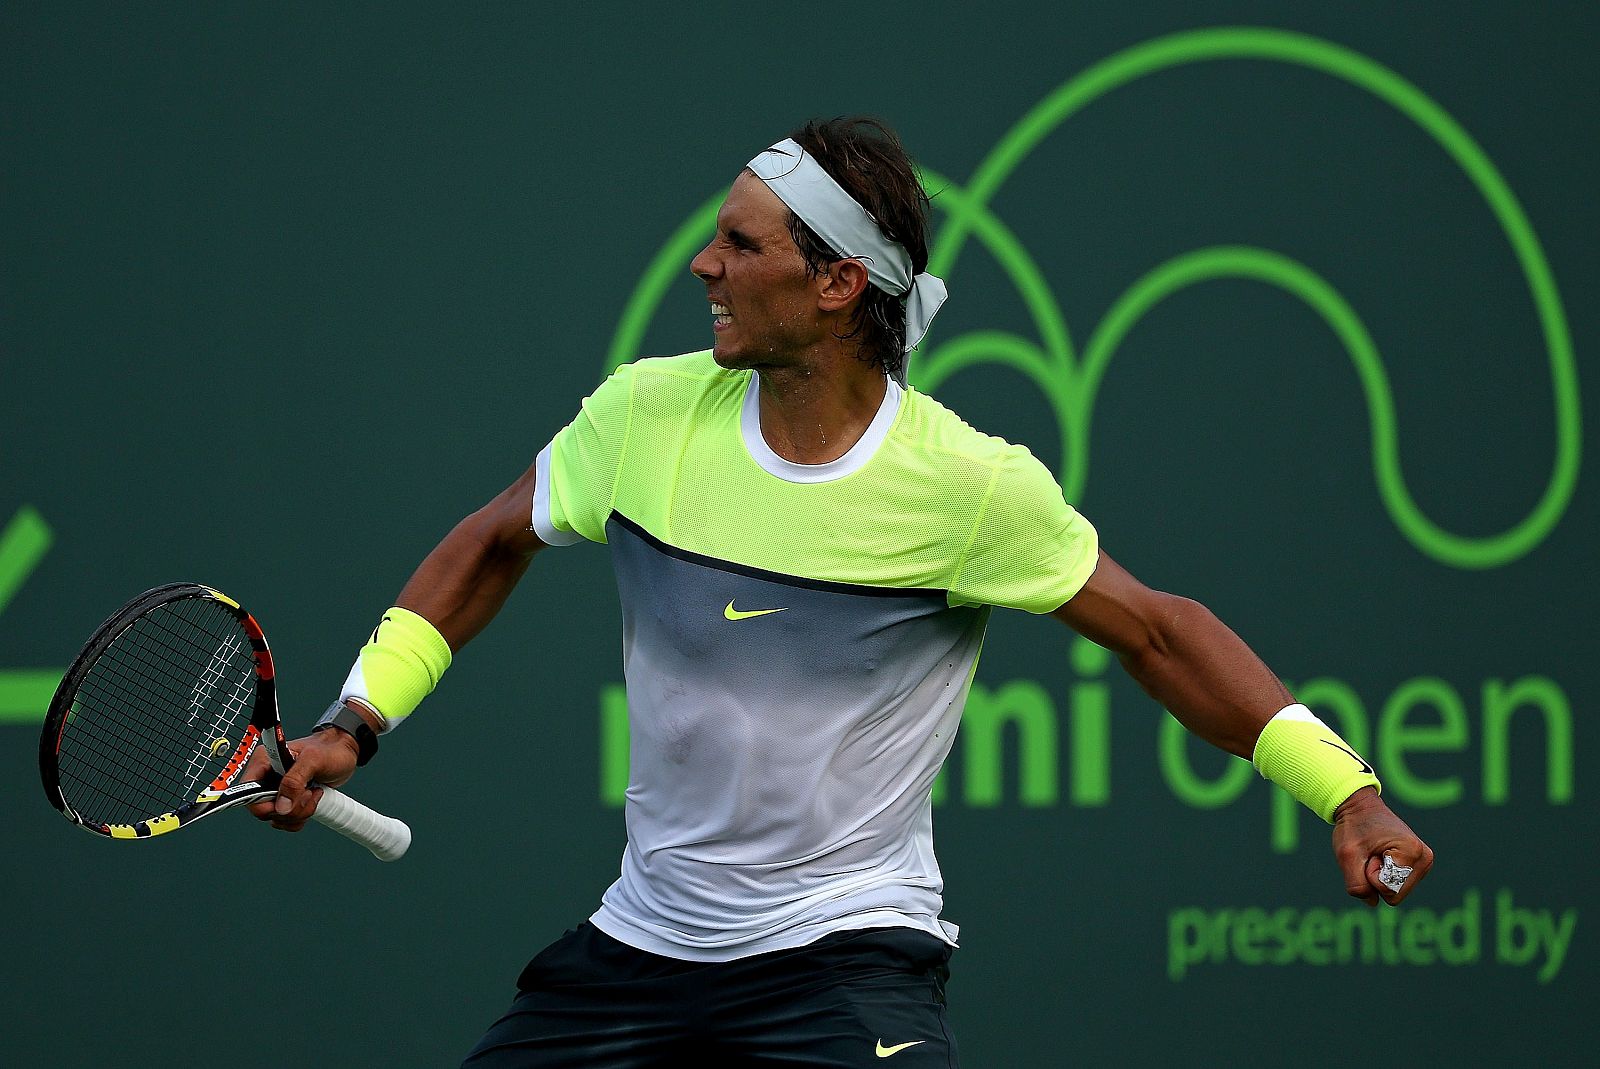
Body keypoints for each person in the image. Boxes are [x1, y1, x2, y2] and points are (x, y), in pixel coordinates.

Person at [247, 117, 1434, 1067]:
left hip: (846, 957)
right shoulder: (643, 416)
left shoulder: (968, 487)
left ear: (835, 284)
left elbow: (1161, 635)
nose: (704, 265)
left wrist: (1344, 793)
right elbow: (489, 544)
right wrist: (356, 724)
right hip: (639, 946)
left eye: (742, 244)